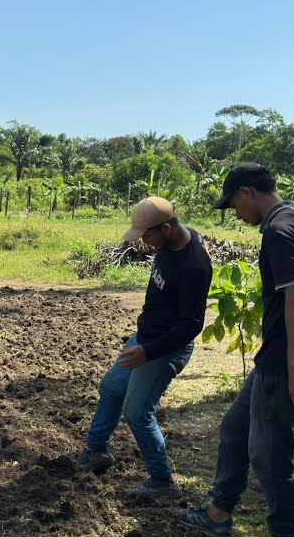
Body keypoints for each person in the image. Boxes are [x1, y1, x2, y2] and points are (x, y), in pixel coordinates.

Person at [173, 163, 294, 537]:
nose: (237, 216)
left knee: (269, 453)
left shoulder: (279, 231)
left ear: (246, 192)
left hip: (287, 361)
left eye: (233, 206)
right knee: (235, 428)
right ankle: (217, 514)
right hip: (277, 358)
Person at [75, 197, 213, 498]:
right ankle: (97, 450)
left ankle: (162, 480)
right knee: (112, 388)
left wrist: (148, 352)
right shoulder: (171, 240)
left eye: (148, 236)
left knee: (137, 412)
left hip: (164, 348)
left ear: (166, 228)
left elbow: (191, 324)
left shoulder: (193, 266)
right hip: (144, 337)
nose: (145, 243)